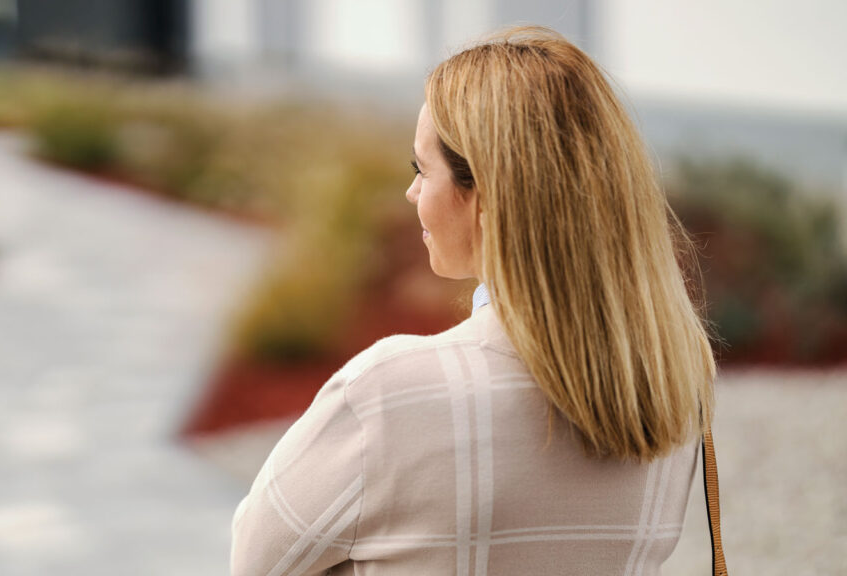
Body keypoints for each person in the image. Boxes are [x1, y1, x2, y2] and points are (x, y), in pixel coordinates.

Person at [230, 25, 717, 576]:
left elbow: (255, 562)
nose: (412, 192)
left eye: (421, 169)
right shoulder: (672, 382)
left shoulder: (387, 395)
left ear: (483, 195)